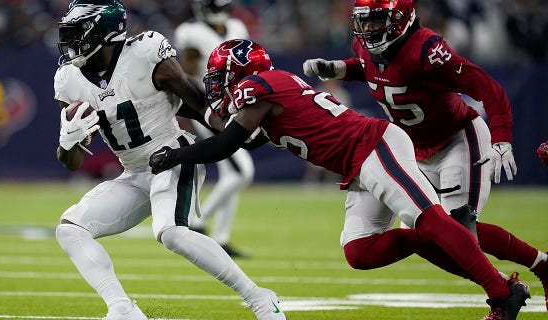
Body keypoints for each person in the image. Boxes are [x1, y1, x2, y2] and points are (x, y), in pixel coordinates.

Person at [148, 39, 531, 319]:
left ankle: (502, 293)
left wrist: (174, 155)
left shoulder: (257, 86)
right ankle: (454, 247)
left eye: (220, 77)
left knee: (429, 219)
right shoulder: (268, 90)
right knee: (360, 251)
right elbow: (244, 140)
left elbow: (227, 144)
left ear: (238, 73)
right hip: (358, 164)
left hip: (373, 146)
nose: (217, 85)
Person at [302, 0, 548, 314]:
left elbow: (488, 87)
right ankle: (517, 280)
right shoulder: (367, 46)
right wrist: (339, 68)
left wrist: (502, 138)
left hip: (456, 139)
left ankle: (532, 270)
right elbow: (371, 68)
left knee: (458, 227)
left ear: (401, 20)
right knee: (401, 238)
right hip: (407, 148)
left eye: (377, 21)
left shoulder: (427, 50)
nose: (368, 30)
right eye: (364, 22)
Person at [52, 2, 286, 320]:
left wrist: (237, 130)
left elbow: (198, 103)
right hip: (133, 171)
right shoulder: (69, 79)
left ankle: (259, 297)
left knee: (171, 232)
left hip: (172, 155)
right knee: (70, 230)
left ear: (103, 33)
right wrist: (68, 140)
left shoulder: (145, 52)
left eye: (78, 32)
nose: (70, 41)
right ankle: (122, 309)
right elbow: (72, 161)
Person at [173, 0, 254, 257]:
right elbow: (187, 72)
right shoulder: (189, 32)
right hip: (209, 107)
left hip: (237, 104)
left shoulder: (238, 27)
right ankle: (196, 222)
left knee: (232, 173)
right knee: (242, 171)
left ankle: (221, 236)